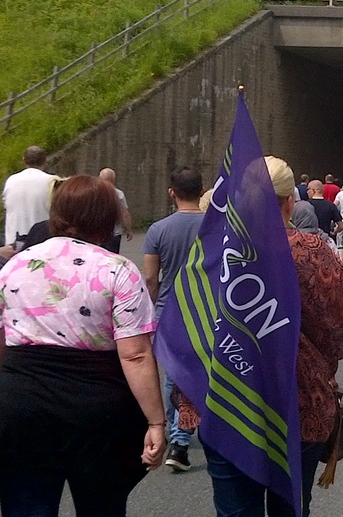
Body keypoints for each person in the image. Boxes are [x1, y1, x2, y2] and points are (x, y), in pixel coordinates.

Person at [195, 157, 343, 517]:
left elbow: (189, 319)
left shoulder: (211, 251)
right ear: (290, 202)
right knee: (290, 508)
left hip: (225, 397)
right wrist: (318, 356)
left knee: (236, 511)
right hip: (297, 403)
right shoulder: (311, 252)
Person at [0, 175, 166, 514]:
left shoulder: (13, 266)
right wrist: (155, 421)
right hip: (97, 412)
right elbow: (134, 354)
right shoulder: (118, 270)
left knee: (25, 505)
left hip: (20, 406)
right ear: (108, 218)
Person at [143, 166, 206, 473]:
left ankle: (178, 438)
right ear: (201, 190)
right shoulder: (215, 227)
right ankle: (196, 431)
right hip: (208, 310)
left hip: (170, 310)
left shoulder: (158, 230)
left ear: (172, 192)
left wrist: (150, 309)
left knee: (175, 375)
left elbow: (151, 278)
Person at [3, 145, 55, 250]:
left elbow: (7, 206)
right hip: (43, 242)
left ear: (24, 160)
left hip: (13, 244)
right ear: (45, 161)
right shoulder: (52, 181)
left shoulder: (11, 181)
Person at [99, 168, 134, 254]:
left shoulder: (92, 193)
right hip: (113, 234)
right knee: (112, 260)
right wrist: (129, 229)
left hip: (96, 234)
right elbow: (124, 214)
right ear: (113, 179)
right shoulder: (118, 194)